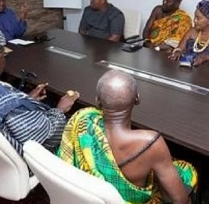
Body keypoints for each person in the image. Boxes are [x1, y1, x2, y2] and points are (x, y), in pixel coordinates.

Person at [57, 70, 198, 204]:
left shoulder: (83, 119)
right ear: (137, 99)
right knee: (187, 171)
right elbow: (180, 200)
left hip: (89, 195)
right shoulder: (150, 143)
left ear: (98, 101)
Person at [0, 26, 79, 155]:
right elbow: (48, 137)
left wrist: (26, 99)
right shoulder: (8, 105)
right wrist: (60, 109)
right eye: (3, 55)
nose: (4, 59)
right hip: (27, 162)